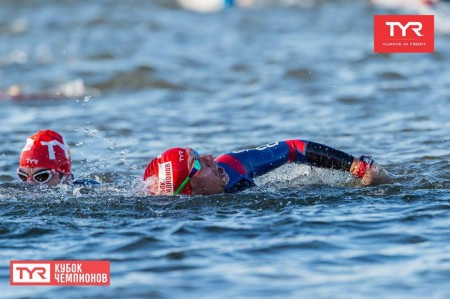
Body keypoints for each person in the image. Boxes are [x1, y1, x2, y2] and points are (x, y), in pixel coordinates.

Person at [143, 139, 390, 196]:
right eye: (198, 162)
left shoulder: (232, 167)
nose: (209, 156)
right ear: (189, 188)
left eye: (198, 153)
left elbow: (293, 147)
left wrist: (357, 167)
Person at [17, 130, 100, 187]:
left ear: (66, 177)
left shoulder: (89, 190)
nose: (30, 183)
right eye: (22, 176)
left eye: (41, 177)